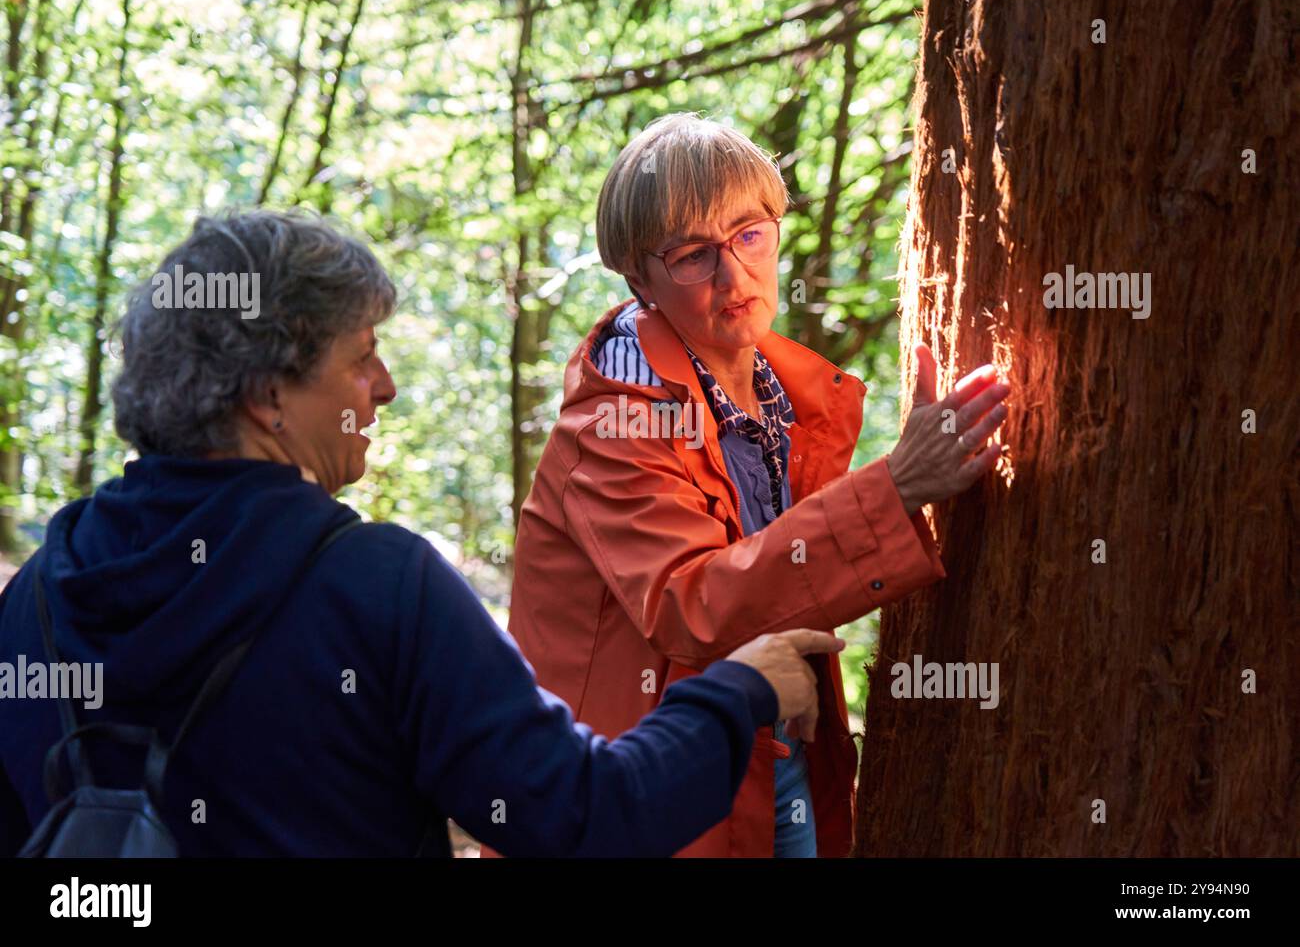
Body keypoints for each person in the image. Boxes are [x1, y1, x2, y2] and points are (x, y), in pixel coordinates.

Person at [0, 210, 843, 857]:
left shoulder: (38, 594)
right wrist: (741, 691)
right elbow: (586, 816)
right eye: (360, 357)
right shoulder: (375, 587)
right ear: (266, 397)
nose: (385, 386)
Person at [502, 113, 1012, 858]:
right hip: (651, 797)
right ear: (638, 277)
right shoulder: (611, 427)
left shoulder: (785, 396)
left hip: (775, 756)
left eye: (749, 235)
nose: (734, 276)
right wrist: (893, 489)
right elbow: (693, 602)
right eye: (692, 254)